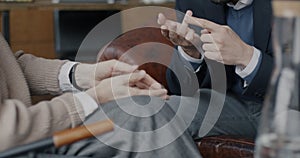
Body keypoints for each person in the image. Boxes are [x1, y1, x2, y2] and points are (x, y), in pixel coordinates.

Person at [0, 33, 202, 157]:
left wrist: (79, 74)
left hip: (26, 136)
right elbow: (5, 130)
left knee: (145, 108)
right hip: (17, 145)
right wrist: (93, 98)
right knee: (144, 115)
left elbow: (8, 67)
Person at [157, 0, 273, 139]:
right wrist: (191, 53)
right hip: (226, 104)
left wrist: (247, 57)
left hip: (285, 108)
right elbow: (178, 88)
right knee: (155, 112)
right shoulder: (194, 3)